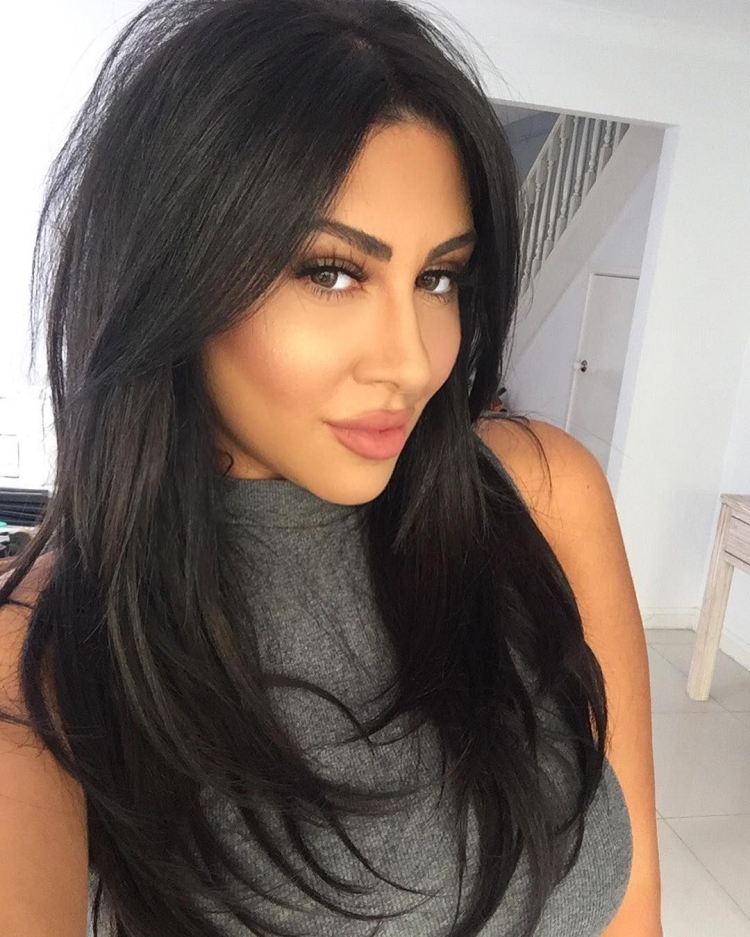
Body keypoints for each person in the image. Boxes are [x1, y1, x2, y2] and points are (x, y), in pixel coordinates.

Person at [0, 0, 661, 934]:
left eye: (438, 277)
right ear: (171, 275)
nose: (412, 361)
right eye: (332, 272)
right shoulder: (44, 652)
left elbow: (635, 910)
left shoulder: (546, 492)